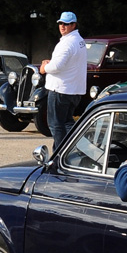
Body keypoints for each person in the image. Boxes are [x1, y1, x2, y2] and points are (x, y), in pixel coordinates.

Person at [39, 11, 89, 156]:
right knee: (67, 123)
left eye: (66, 24)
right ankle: (81, 150)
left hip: (61, 89)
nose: (63, 26)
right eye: (61, 23)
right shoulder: (79, 41)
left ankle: (60, 155)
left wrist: (44, 68)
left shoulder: (67, 43)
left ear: (74, 25)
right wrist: (52, 63)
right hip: (73, 90)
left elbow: (58, 66)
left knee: (55, 124)